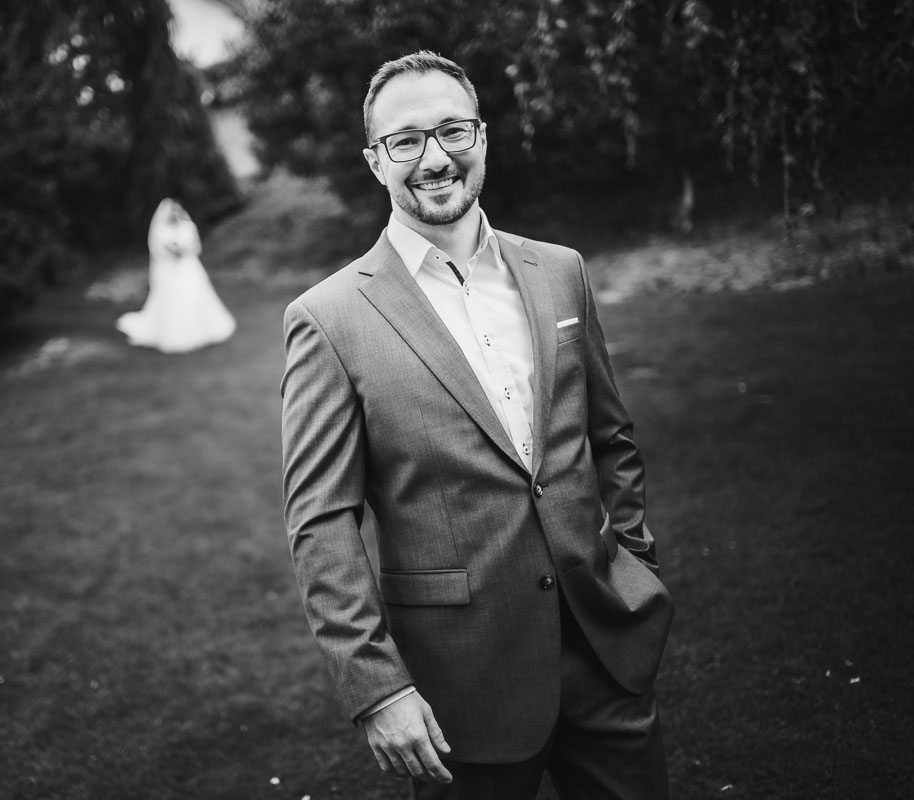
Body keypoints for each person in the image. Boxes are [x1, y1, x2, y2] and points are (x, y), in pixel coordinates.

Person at [280, 51, 674, 799]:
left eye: (452, 131)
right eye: (406, 140)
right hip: (461, 686)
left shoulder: (561, 271)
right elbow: (322, 522)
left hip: (606, 648)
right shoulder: (328, 320)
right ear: (375, 161)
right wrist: (377, 686)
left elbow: (610, 436)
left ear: (483, 138)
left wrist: (636, 562)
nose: (435, 157)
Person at [116, 198, 235, 353]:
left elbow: (196, 247)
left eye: (176, 210)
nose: (174, 214)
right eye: (171, 211)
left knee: (195, 296)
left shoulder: (188, 227)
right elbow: (157, 251)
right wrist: (172, 252)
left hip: (188, 267)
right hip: (170, 271)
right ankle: (173, 333)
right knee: (173, 299)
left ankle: (203, 329)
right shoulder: (160, 230)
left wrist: (184, 251)